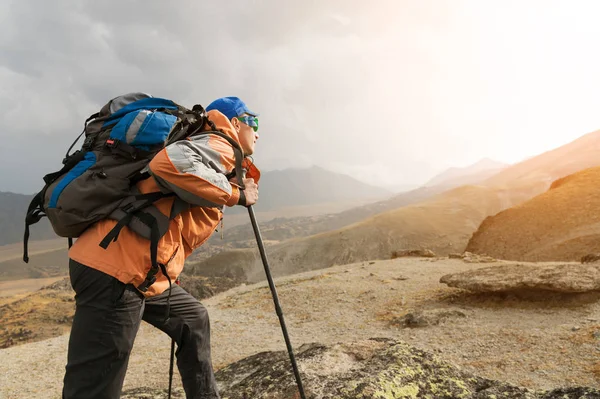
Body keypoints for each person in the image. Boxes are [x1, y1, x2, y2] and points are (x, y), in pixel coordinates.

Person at [62, 96, 260, 399]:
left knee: (193, 319)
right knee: (95, 385)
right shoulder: (219, 142)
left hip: (136, 270)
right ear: (234, 122)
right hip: (115, 271)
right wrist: (237, 194)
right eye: (253, 122)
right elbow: (166, 164)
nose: (257, 132)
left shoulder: (207, 147)